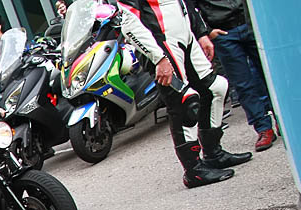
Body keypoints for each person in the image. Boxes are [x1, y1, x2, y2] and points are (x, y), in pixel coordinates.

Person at [118, 0, 253, 187]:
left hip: (185, 36)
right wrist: (158, 58)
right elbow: (129, 22)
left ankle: (214, 154)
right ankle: (193, 170)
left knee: (216, 88)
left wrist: (201, 33)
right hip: (162, 44)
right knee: (184, 102)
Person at [194, 0, 277, 151]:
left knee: (272, 74)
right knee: (243, 84)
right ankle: (263, 128)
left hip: (251, 22)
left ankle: (282, 118)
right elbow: (188, 8)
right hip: (224, 32)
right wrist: (206, 31)